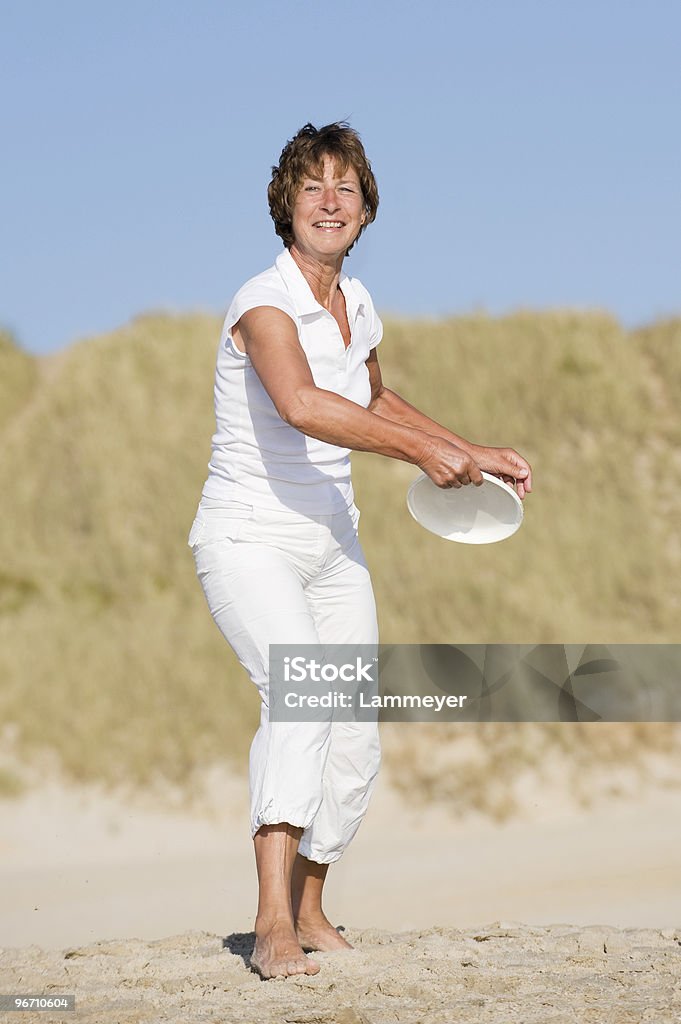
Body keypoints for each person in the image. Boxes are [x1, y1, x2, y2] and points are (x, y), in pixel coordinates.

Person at [187, 121, 532, 980]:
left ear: (367, 208)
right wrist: (419, 455)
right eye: (312, 187)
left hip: (331, 542)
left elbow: (372, 393)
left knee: (355, 740)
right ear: (286, 206)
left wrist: (468, 448)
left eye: (346, 188)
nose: (330, 201)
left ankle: (309, 907)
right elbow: (302, 403)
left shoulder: (357, 305)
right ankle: (269, 925)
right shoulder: (262, 305)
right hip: (248, 538)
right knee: (300, 701)